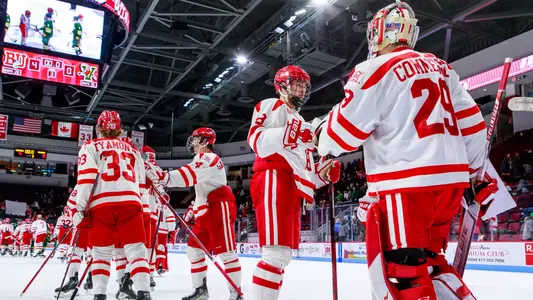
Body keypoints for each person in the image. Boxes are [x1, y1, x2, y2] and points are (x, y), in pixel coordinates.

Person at [313, 2, 498, 299]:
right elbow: (474, 125)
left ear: (377, 34)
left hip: (405, 188)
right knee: (432, 263)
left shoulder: (374, 69)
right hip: (450, 186)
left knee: (405, 274)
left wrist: (321, 131)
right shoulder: (442, 68)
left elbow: (341, 136)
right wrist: (475, 175)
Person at [246, 65, 341, 300]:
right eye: (296, 84)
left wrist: (322, 173)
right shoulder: (271, 105)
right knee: (275, 253)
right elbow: (256, 140)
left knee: (282, 256)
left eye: (304, 86)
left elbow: (303, 171)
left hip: (290, 186)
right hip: (272, 178)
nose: (301, 90)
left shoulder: (300, 120)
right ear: (281, 86)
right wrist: (293, 133)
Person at [145, 127, 242, 300]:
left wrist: (164, 177)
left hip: (220, 207)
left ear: (205, 141)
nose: (193, 142)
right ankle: (201, 290)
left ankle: (236, 293)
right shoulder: (201, 158)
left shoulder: (209, 158)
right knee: (193, 250)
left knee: (226, 252)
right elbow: (200, 188)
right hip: (207, 209)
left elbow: (189, 175)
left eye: (196, 139)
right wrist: (194, 209)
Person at [69, 110, 151, 300]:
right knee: (136, 251)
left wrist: (78, 208)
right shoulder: (132, 150)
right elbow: (141, 183)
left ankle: (99, 294)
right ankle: (144, 292)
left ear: (99, 128)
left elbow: (87, 179)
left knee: (101, 252)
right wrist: (144, 209)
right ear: (119, 129)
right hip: (131, 202)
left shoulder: (90, 146)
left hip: (102, 204)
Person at [55, 189, 93, 297]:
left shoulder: (83, 181)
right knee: (94, 253)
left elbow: (71, 203)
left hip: (83, 224)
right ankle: (92, 278)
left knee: (75, 252)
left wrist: (76, 217)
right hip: (99, 225)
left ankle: (73, 280)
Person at [155, 204, 176, 276]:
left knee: (151, 249)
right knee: (161, 249)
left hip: (151, 229)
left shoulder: (152, 201)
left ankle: (150, 266)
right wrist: (171, 232)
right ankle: (160, 266)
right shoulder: (167, 207)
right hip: (163, 231)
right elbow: (171, 220)